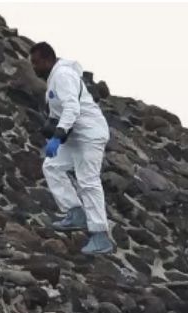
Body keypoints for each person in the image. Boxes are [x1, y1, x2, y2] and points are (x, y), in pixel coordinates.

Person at [29, 42, 113, 256]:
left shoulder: (62, 75)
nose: (34, 68)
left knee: (88, 180)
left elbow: (72, 108)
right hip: (75, 136)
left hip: (89, 134)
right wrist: (52, 127)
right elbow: (61, 110)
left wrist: (58, 135)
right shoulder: (55, 80)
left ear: (48, 60)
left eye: (37, 63)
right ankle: (75, 213)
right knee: (52, 166)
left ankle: (100, 235)